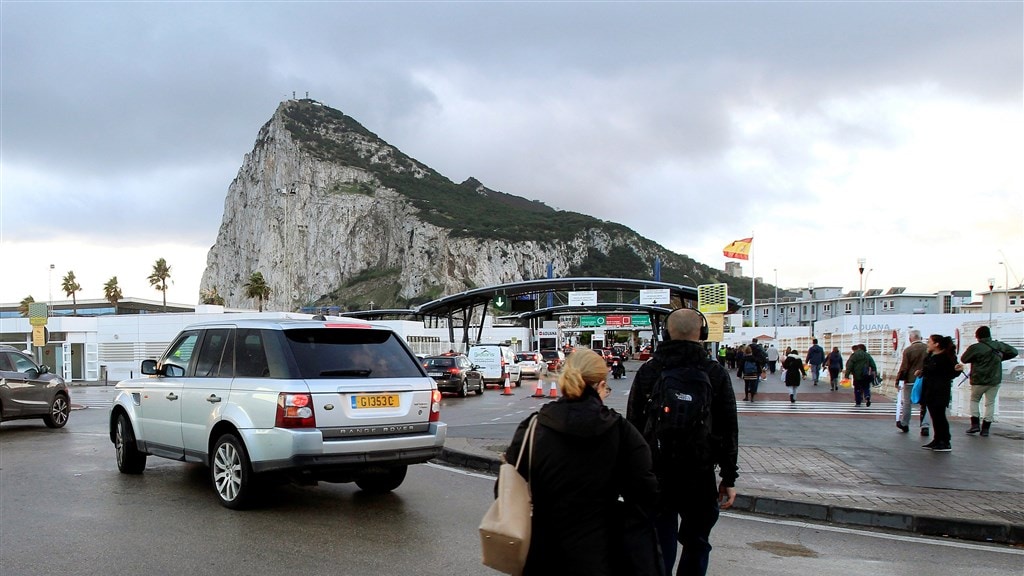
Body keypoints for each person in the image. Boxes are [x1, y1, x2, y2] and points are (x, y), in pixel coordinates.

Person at [504, 348, 660, 576]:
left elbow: (505, 488)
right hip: (602, 552)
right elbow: (646, 493)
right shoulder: (621, 432)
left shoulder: (534, 427)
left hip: (543, 552)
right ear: (600, 385)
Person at [627, 308, 738, 576]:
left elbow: (633, 427)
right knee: (697, 544)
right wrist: (729, 478)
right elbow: (728, 428)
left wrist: (632, 475)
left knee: (659, 545)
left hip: (657, 474)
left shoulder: (650, 371)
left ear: (666, 333)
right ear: (702, 334)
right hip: (699, 475)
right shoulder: (714, 372)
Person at [960, 326, 1019, 437]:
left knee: (974, 400)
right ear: (989, 335)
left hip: (978, 379)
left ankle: (975, 424)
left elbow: (964, 359)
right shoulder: (998, 345)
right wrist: (1001, 356)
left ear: (977, 336)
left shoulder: (975, 347)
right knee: (990, 403)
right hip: (994, 380)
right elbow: (1014, 351)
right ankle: (986, 428)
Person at [918, 335, 963, 452]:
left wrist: (958, 370)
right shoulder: (931, 356)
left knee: (939, 416)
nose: (928, 344)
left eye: (930, 342)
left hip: (940, 390)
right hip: (930, 389)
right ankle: (937, 439)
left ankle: (945, 441)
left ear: (936, 344)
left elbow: (951, 373)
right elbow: (929, 370)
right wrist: (921, 372)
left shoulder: (945, 358)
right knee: (934, 416)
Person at [895, 330, 929, 434]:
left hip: (910, 379)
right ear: (921, 337)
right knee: (925, 403)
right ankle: (925, 426)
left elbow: (904, 367)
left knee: (907, 402)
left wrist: (898, 380)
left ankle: (905, 423)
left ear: (910, 339)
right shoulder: (928, 348)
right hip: (925, 379)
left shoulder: (908, 350)